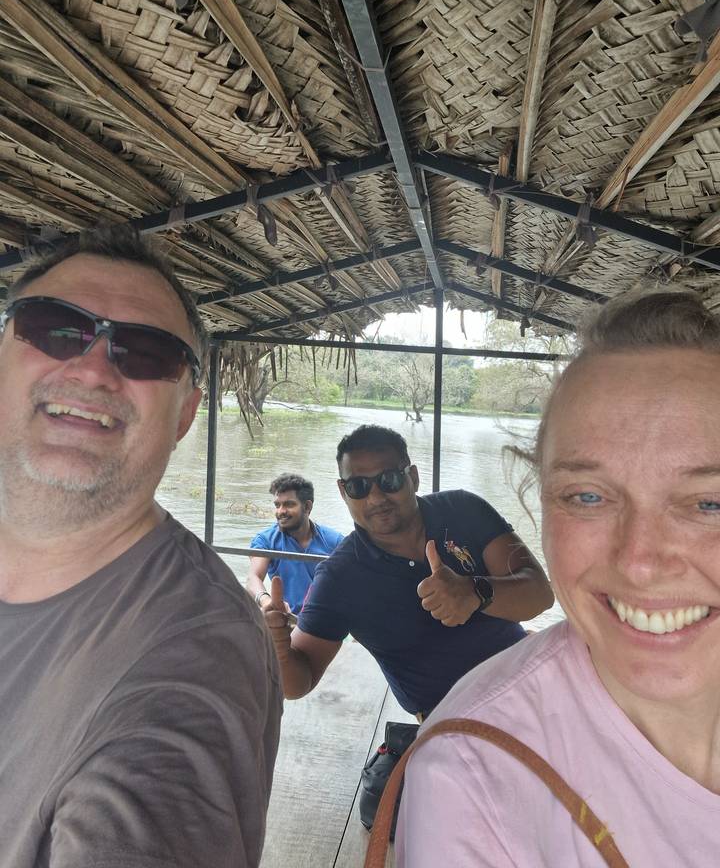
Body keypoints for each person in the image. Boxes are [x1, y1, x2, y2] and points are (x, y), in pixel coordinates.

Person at [397, 288, 720, 867]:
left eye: (710, 503)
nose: (640, 562)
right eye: (587, 497)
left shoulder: (463, 510)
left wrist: (474, 594)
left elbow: (532, 590)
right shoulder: (473, 773)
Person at [0, 225, 282, 868]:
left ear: (185, 415)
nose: (95, 369)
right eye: (55, 329)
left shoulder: (195, 649)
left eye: (147, 352)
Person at [264, 424, 554, 719]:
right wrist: (278, 649)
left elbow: (540, 594)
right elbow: (299, 683)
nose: (376, 498)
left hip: (531, 678)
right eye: (359, 486)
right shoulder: (340, 577)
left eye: (389, 480)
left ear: (412, 477)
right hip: (454, 721)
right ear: (343, 491)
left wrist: (476, 592)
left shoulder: (463, 510)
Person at [246, 472, 344, 614]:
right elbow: (253, 577)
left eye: (289, 504)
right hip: (285, 617)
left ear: (307, 507)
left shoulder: (334, 541)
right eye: (277, 505)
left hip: (323, 619)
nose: (281, 511)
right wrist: (267, 601)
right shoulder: (266, 540)